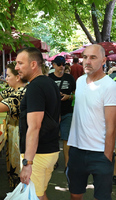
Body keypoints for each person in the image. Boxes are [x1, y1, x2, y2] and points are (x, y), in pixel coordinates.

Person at [67, 44, 116, 200]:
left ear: (103, 60)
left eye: (93, 57)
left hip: (100, 153)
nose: (87, 61)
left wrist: (108, 155)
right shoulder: (80, 81)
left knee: (101, 197)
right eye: (85, 57)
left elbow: (111, 125)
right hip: (77, 150)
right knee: (75, 195)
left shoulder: (110, 86)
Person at [15, 47, 60, 200]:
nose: (16, 68)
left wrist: (27, 163)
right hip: (49, 150)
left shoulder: (35, 87)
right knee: (39, 194)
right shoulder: (50, 83)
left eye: (20, 63)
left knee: (36, 196)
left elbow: (34, 127)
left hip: (38, 155)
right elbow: (56, 117)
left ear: (33, 64)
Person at [49, 56, 76, 170]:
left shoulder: (70, 78)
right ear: (53, 65)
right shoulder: (49, 78)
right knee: (53, 138)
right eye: (59, 64)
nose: (61, 66)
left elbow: (76, 95)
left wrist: (68, 97)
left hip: (67, 113)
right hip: (52, 114)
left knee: (66, 138)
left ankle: (67, 165)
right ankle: (53, 162)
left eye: (63, 64)